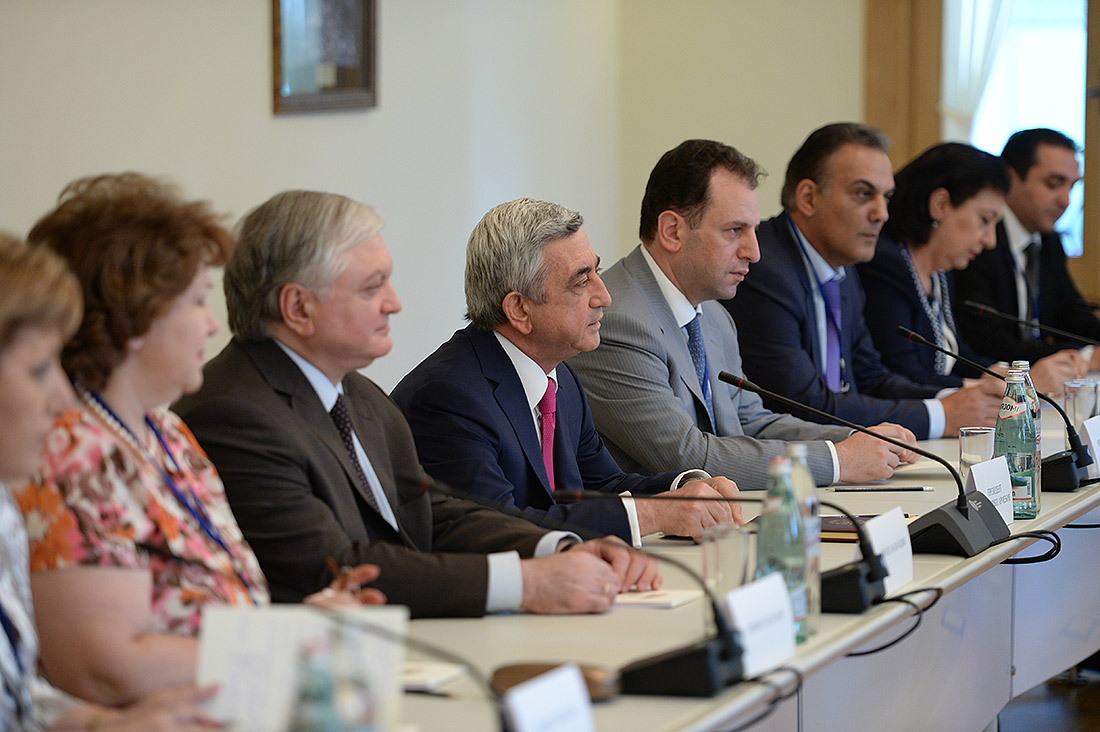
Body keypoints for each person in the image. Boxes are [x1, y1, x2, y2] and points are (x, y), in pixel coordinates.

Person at [174, 190, 660, 621]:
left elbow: (433, 513)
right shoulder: (235, 415)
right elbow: (336, 568)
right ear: (299, 308)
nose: (394, 303)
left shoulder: (358, 394)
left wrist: (558, 548)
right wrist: (527, 583)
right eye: (372, 287)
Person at [17, 175, 383, 708]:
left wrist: (304, 623)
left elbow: (204, 618)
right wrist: (298, 647)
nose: (212, 324)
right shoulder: (70, 453)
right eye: (196, 301)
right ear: (135, 318)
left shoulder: (167, 433)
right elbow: (104, 669)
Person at [569, 139, 919, 492]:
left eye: (753, 230)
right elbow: (688, 455)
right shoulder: (617, 320)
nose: (754, 252)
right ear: (673, 231)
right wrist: (839, 460)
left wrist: (857, 439)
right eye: (735, 231)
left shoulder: (714, 316)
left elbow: (752, 423)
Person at [391, 198, 744, 547]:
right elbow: (499, 529)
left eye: (596, 272)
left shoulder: (561, 379)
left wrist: (687, 490)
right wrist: (654, 514)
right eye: (581, 281)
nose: (604, 296)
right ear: (519, 309)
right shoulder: (448, 397)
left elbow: (602, 487)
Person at [0, 232, 222, 731]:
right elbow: (104, 668)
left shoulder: (2, 511)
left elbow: (17, 696)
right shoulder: (68, 456)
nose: (62, 398)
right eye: (39, 369)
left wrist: (99, 726)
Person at [725, 123, 1004, 440]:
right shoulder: (764, 269)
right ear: (808, 198)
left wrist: (958, 400)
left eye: (886, 197)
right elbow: (804, 405)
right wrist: (941, 415)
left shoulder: (843, 271)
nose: (882, 213)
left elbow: (872, 379)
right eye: (863, 194)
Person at [858, 142, 1081, 396]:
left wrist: (1010, 375)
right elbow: (902, 376)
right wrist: (1015, 387)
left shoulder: (941, 271)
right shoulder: (884, 265)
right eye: (984, 220)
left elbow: (957, 357)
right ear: (940, 205)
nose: (990, 241)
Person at [955, 128, 1100, 369]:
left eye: (1072, 187)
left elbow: (1069, 312)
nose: (1065, 201)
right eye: (1054, 184)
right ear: (1010, 178)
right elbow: (986, 342)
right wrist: (1083, 357)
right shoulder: (979, 240)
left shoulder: (1049, 240)